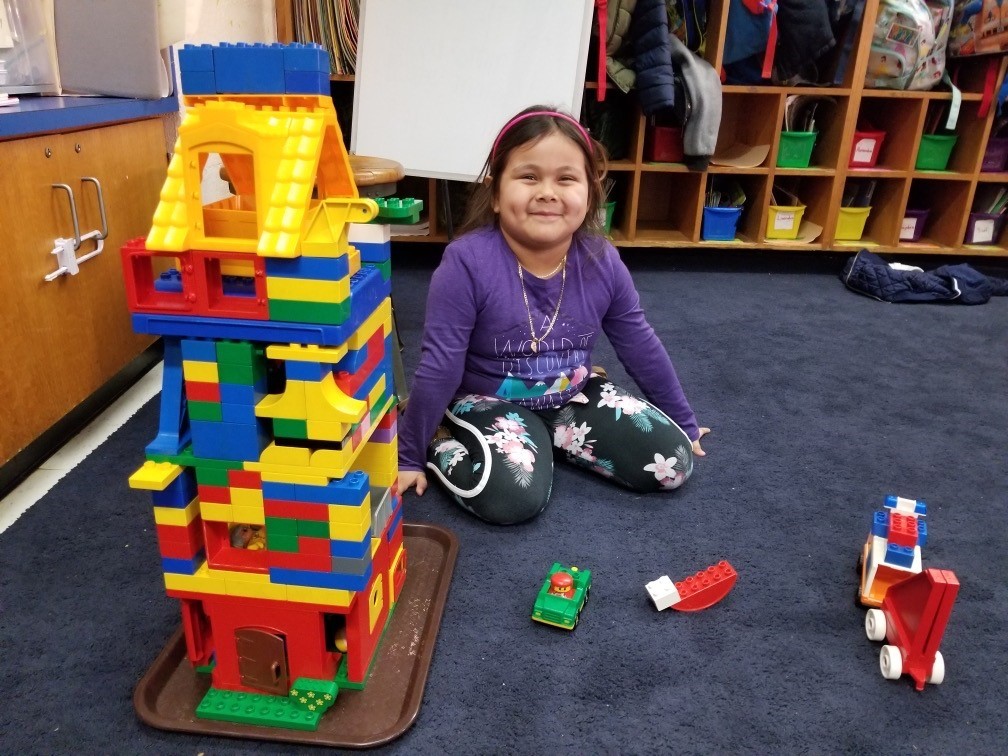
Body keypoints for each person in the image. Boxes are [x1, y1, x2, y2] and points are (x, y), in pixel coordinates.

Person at [397, 106, 709, 525]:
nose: (547, 191)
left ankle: (550, 438)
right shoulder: (466, 263)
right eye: (528, 177)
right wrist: (408, 454)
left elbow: (638, 341)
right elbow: (440, 364)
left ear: (590, 194)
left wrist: (685, 421)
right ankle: (441, 439)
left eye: (566, 178)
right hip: (487, 399)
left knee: (673, 461)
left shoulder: (603, 260)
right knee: (511, 500)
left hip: (571, 392)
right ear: (495, 193)